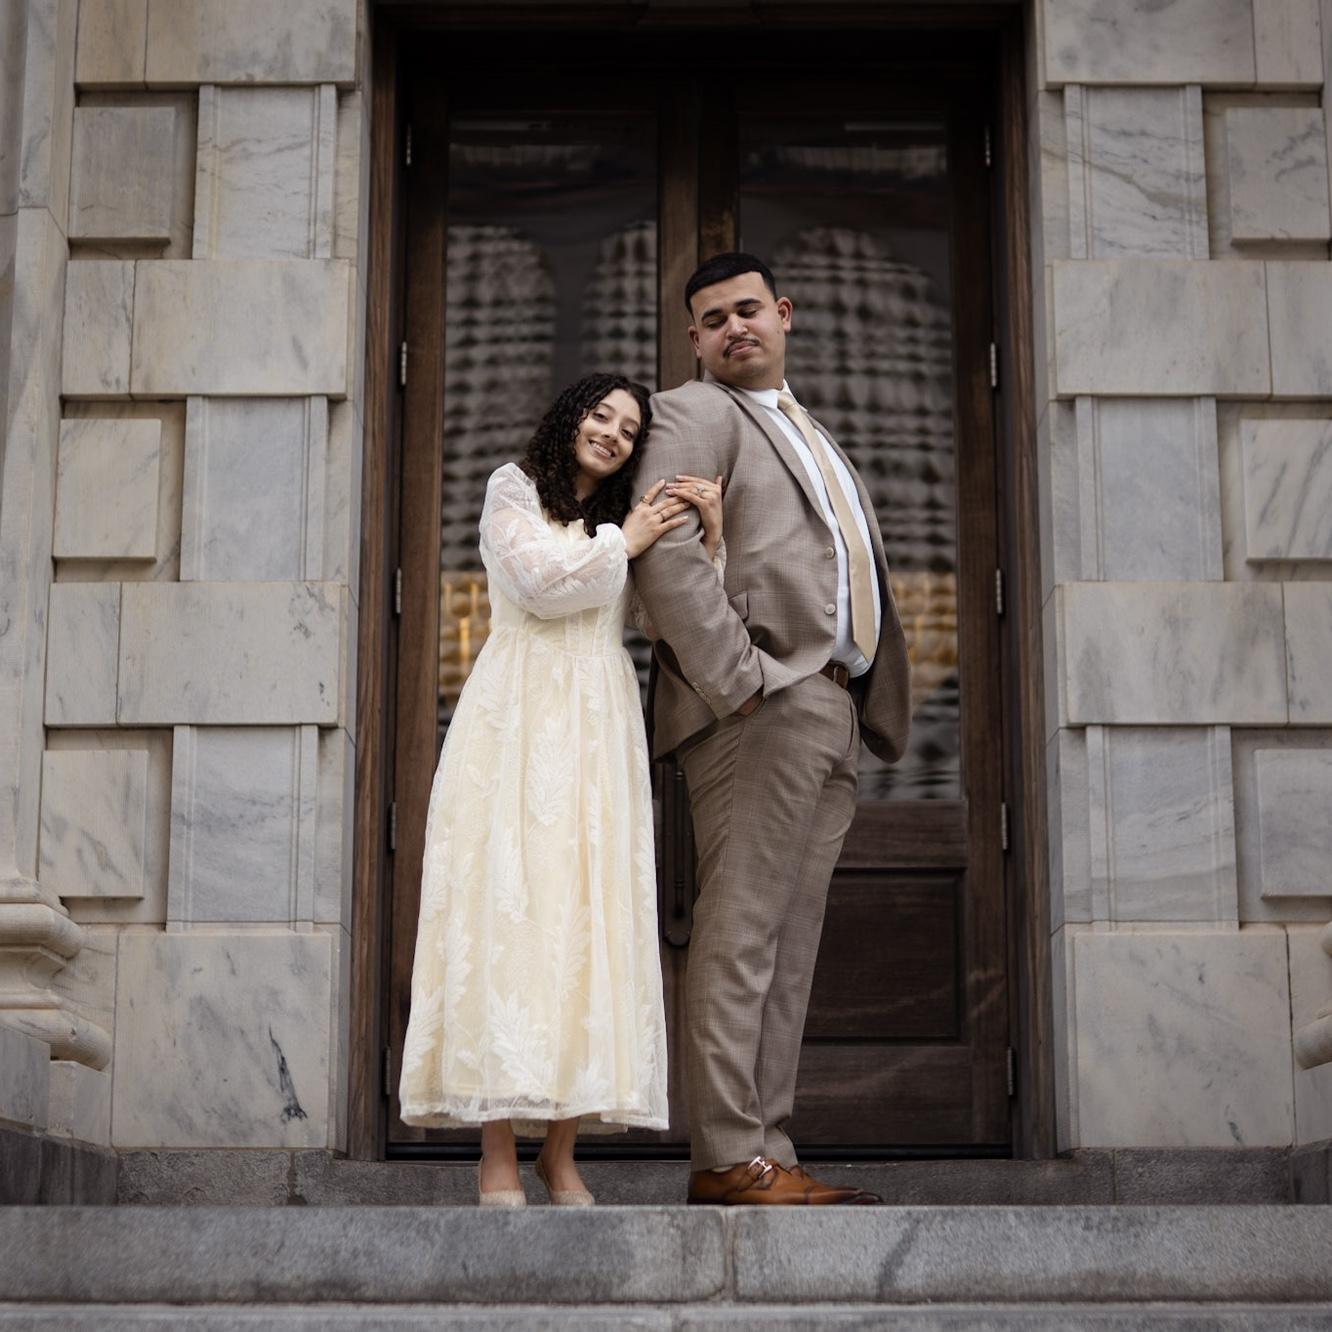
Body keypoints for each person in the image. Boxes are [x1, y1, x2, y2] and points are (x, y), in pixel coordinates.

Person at [397, 372, 722, 1206]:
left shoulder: (627, 521)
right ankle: (497, 1153)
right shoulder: (513, 489)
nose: (611, 433)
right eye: (600, 414)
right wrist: (628, 540)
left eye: (628, 428)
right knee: (507, 913)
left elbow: (665, 620)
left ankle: (561, 1151)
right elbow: (539, 586)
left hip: (596, 723)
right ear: (571, 417)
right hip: (516, 715)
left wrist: (708, 538)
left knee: (587, 915)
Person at [632, 253, 912, 1206]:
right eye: (712, 320)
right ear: (694, 339)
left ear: (783, 314)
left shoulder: (812, 431)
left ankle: (767, 1149)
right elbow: (666, 554)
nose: (733, 329)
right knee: (744, 931)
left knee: (791, 947)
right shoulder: (693, 412)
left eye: (747, 310)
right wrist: (742, 684)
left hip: (835, 705)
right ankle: (725, 1154)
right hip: (762, 704)